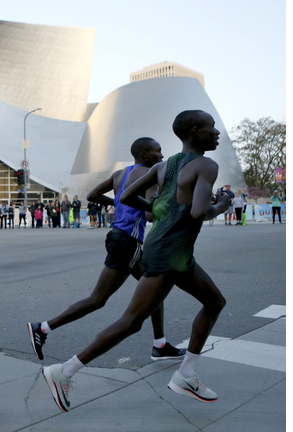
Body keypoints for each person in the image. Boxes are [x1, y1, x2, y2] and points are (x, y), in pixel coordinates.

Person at [40, 110, 230, 412]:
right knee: (131, 322)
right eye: (212, 127)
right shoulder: (206, 165)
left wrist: (161, 210)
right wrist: (220, 204)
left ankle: (187, 374)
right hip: (171, 252)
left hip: (167, 248)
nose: (217, 132)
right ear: (195, 131)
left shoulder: (163, 166)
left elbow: (126, 198)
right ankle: (64, 372)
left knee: (215, 302)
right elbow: (198, 212)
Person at [28, 137, 185, 367]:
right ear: (143, 154)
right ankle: (43, 328)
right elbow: (152, 214)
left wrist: (121, 202)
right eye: (157, 151)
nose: (161, 156)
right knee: (98, 299)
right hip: (129, 242)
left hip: (117, 238)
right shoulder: (149, 176)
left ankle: (160, 344)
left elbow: (92, 195)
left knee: (154, 288)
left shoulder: (120, 174)